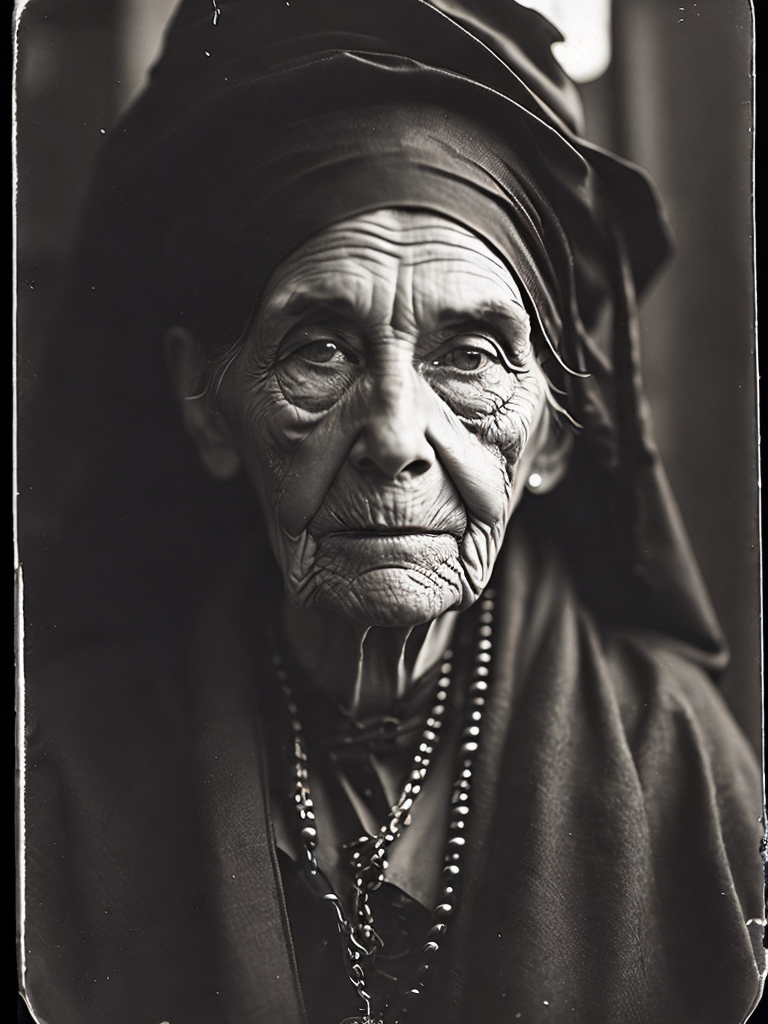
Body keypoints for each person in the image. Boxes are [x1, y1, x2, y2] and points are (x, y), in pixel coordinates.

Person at [16, 1, 765, 1022]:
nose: (396, 436)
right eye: (319, 348)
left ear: (550, 432)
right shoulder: (64, 774)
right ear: (208, 402)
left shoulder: (680, 768)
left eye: (470, 356)